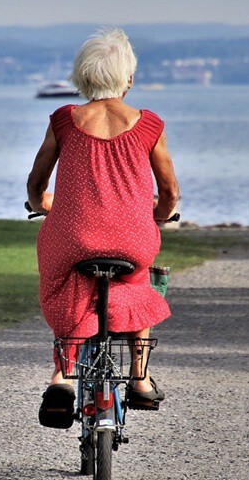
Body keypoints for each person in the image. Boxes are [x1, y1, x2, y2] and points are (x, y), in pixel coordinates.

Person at [26, 28, 181, 428]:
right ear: (128, 78)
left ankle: (62, 378)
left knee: (66, 282)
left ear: (82, 77)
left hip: (73, 236)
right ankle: (140, 378)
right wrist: (159, 215)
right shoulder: (149, 124)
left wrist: (40, 203)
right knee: (137, 282)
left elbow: (36, 181)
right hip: (132, 239)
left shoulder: (64, 120)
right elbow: (170, 190)